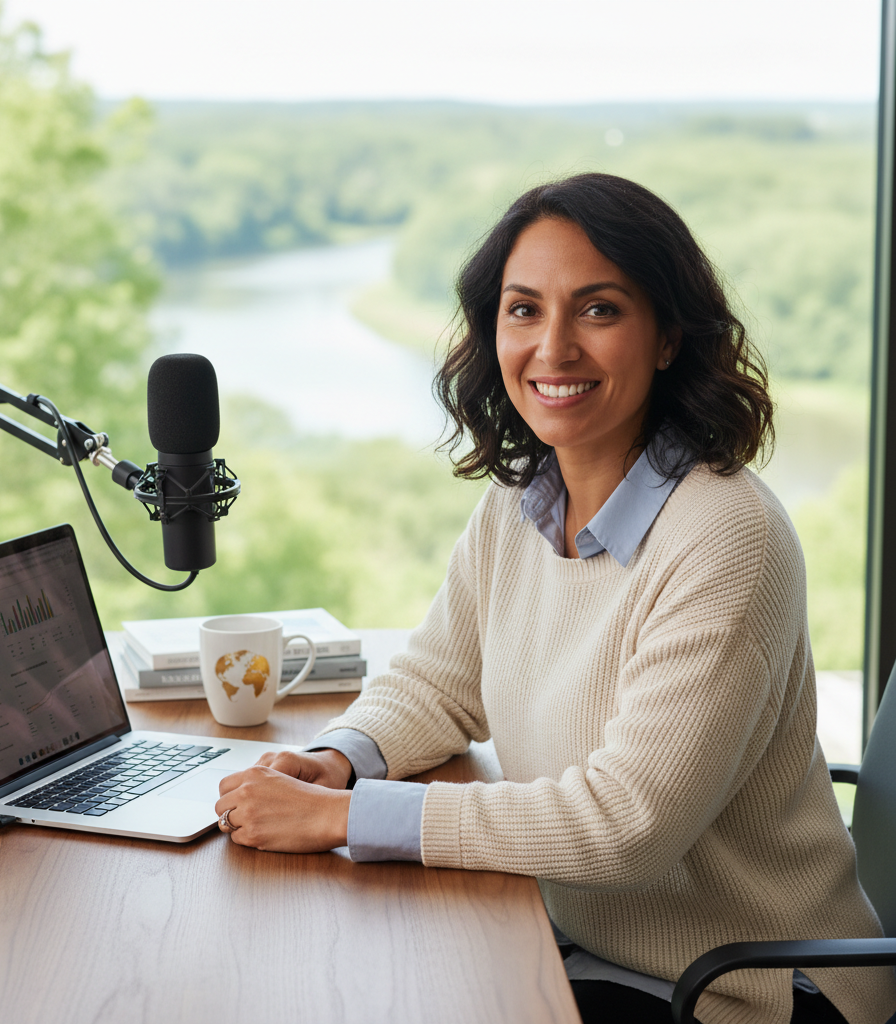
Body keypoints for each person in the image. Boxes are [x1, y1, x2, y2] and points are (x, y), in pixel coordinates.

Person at [214, 173, 896, 1024]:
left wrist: (346, 818)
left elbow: (627, 825)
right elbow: (438, 681)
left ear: (668, 338)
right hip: (595, 950)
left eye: (600, 310)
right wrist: (342, 758)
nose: (554, 348)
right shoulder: (522, 498)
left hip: (746, 989)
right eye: (524, 309)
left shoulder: (727, 537)